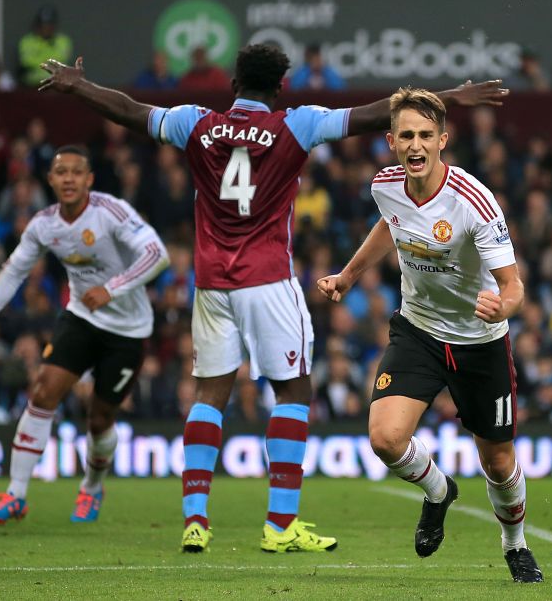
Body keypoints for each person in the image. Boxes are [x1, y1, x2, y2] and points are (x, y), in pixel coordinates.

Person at [37, 44, 507, 553]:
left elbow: (130, 111)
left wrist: (79, 86)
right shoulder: (296, 124)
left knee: (209, 395)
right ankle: (280, 525)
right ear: (280, 87)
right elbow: (379, 114)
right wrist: (450, 98)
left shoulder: (196, 122)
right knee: (292, 392)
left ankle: (195, 519)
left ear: (234, 85)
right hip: (267, 277)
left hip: (211, 281)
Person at [317, 88, 542, 583]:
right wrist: (349, 275)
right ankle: (440, 491)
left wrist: (500, 306)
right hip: (417, 330)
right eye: (406, 136)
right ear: (391, 141)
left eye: (425, 135)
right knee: (385, 438)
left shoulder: (475, 202)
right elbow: (390, 226)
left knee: (499, 461)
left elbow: (514, 286)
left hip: (479, 340)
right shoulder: (386, 185)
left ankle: (515, 544)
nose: (415, 145)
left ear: (443, 139)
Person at [0, 145, 169, 525]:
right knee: (43, 390)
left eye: (76, 172)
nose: (68, 178)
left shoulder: (112, 212)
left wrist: (112, 288)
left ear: (89, 179)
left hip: (128, 329)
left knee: (100, 418)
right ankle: (16, 493)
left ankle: (91, 487)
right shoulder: (44, 224)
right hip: (81, 319)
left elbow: (157, 254)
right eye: (61, 172)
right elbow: (13, 271)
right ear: (51, 180)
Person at [18, 5, 73, 88]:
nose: (46, 28)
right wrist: (48, 63)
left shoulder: (63, 41)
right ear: (38, 25)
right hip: (32, 86)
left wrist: (41, 62)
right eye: (43, 24)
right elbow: (26, 62)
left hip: (57, 85)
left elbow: (62, 62)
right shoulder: (27, 41)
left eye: (49, 24)